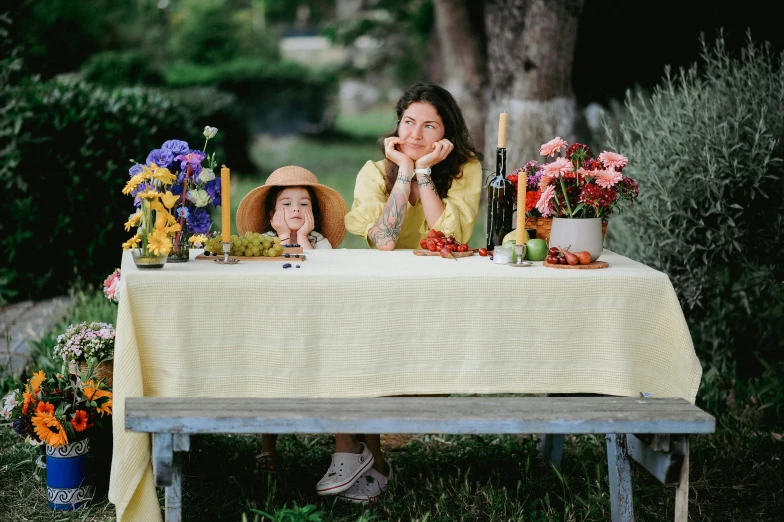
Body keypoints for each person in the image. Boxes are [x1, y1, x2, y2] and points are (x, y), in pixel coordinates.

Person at [322, 83, 483, 503]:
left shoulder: (465, 171)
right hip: (383, 290)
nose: (415, 134)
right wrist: (404, 172)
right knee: (351, 343)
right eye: (409, 122)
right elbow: (386, 240)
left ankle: (368, 457)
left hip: (439, 295)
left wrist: (425, 173)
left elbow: (446, 235)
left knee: (386, 363)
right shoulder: (375, 172)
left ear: (447, 134)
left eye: (429, 126)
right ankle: (361, 456)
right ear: (397, 126)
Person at [235, 165, 348, 473]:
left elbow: (322, 272)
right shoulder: (265, 241)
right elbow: (265, 276)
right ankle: (268, 446)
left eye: (304, 203)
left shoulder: (320, 242)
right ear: (272, 213)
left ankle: (342, 442)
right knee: (271, 381)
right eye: (286, 203)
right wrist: (284, 237)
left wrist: (304, 241)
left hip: (315, 321)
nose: (295, 208)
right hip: (276, 323)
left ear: (314, 212)